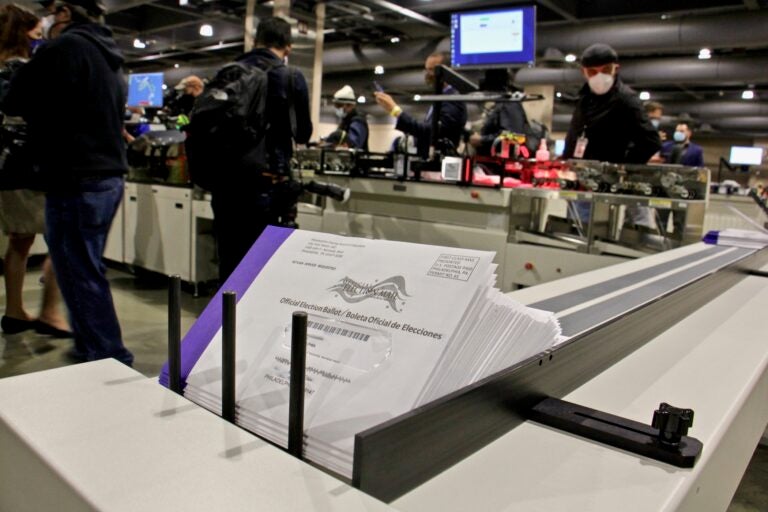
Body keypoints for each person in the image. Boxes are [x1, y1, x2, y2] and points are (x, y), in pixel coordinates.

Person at [4, 0, 134, 365]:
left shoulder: (64, 47)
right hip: (107, 177)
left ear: (64, 12)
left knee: (77, 270)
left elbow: (14, 99)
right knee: (86, 267)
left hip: (76, 177)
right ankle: (98, 349)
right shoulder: (110, 55)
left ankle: (106, 355)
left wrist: (19, 69)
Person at [210, 16, 312, 280]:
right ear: (287, 47)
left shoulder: (228, 73)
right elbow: (303, 134)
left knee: (229, 262)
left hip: (225, 184)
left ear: (255, 41)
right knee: (262, 270)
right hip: (267, 185)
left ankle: (226, 319)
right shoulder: (290, 76)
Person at [0, 3, 70, 337]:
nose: (39, 32)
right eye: (34, 29)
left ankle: (14, 311)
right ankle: (50, 313)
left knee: (19, 241)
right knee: (62, 237)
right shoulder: (26, 69)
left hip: (8, 169)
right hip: (36, 168)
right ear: (22, 31)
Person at [564, 44, 661, 164]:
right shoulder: (584, 97)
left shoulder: (626, 99)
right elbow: (573, 136)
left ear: (616, 69)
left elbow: (651, 141)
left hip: (607, 176)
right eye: (592, 71)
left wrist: (621, 168)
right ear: (583, 72)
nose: (599, 76)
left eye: (606, 70)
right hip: (578, 171)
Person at [374, 51, 467, 158]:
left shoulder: (452, 99)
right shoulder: (441, 98)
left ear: (447, 71)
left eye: (431, 70)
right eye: (426, 69)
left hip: (440, 165)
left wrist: (395, 111)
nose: (427, 74)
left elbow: (431, 132)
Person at [468, 69, 528, 156]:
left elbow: (514, 136)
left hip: (502, 162)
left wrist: (482, 140)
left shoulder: (510, 104)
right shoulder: (500, 104)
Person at [328, 85, 368, 150]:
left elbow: (353, 145)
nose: (337, 108)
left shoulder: (358, 122)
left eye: (338, 105)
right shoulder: (346, 121)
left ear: (349, 105)